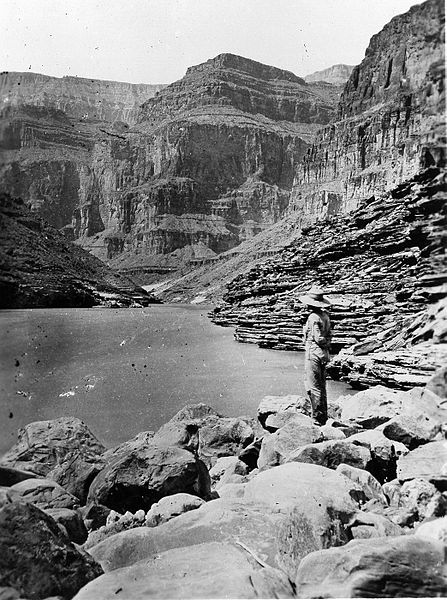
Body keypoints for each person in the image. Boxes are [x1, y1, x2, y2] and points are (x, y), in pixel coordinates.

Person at [298, 286, 332, 425]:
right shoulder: (325, 316)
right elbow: (328, 336)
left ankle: (317, 417)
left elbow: (318, 338)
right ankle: (323, 414)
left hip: (313, 352)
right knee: (322, 384)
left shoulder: (313, 317)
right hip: (323, 354)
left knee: (313, 385)